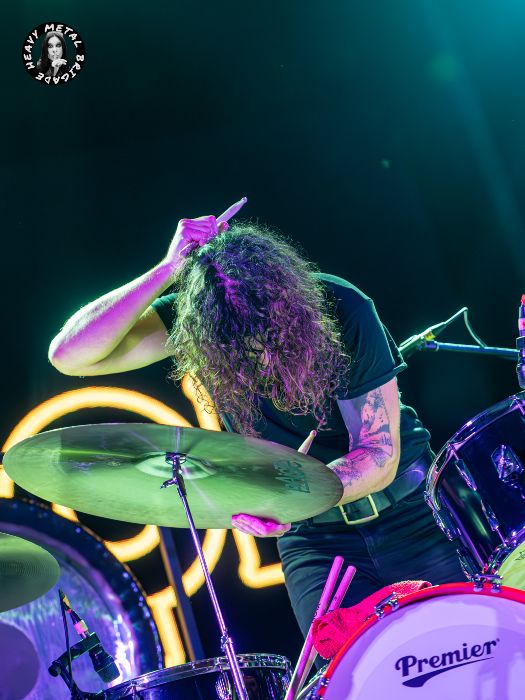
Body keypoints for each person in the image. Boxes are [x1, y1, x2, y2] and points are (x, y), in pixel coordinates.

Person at [48, 198, 465, 643]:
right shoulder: (196, 322)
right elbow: (69, 355)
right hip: (315, 541)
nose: (261, 357)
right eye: (238, 347)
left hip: (414, 515)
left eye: (271, 336)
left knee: (467, 649)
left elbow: (378, 452)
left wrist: (291, 497)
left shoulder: (340, 306)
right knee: (345, 669)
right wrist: (167, 269)